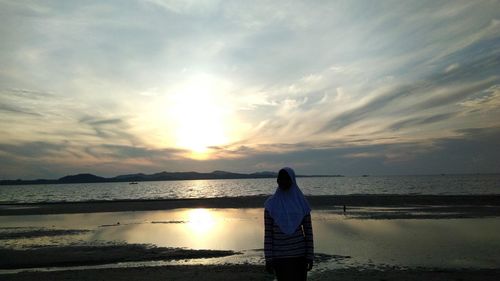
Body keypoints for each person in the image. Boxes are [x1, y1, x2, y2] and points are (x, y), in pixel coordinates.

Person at [264, 167, 314, 281]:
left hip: (299, 256)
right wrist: (269, 259)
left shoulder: (302, 203)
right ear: (277, 181)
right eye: (280, 178)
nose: (282, 181)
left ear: (292, 180)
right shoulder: (271, 205)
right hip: (279, 258)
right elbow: (268, 234)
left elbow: (308, 232)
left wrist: (310, 256)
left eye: (286, 178)